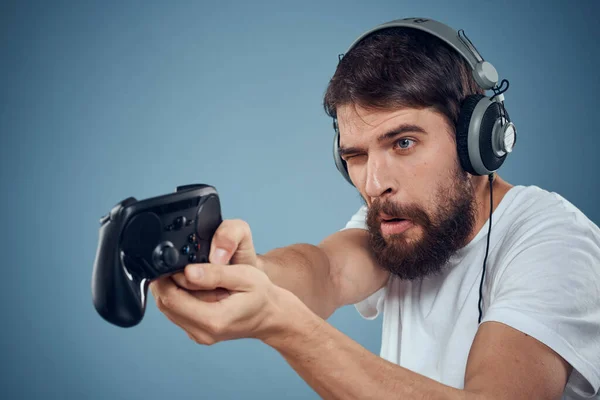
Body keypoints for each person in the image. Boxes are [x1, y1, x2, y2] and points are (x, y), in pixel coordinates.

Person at [149, 17, 600, 400]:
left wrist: (282, 324)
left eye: (403, 142)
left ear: (476, 141)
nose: (374, 183)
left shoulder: (555, 243)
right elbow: (324, 270)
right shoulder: (406, 222)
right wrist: (247, 274)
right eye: (356, 155)